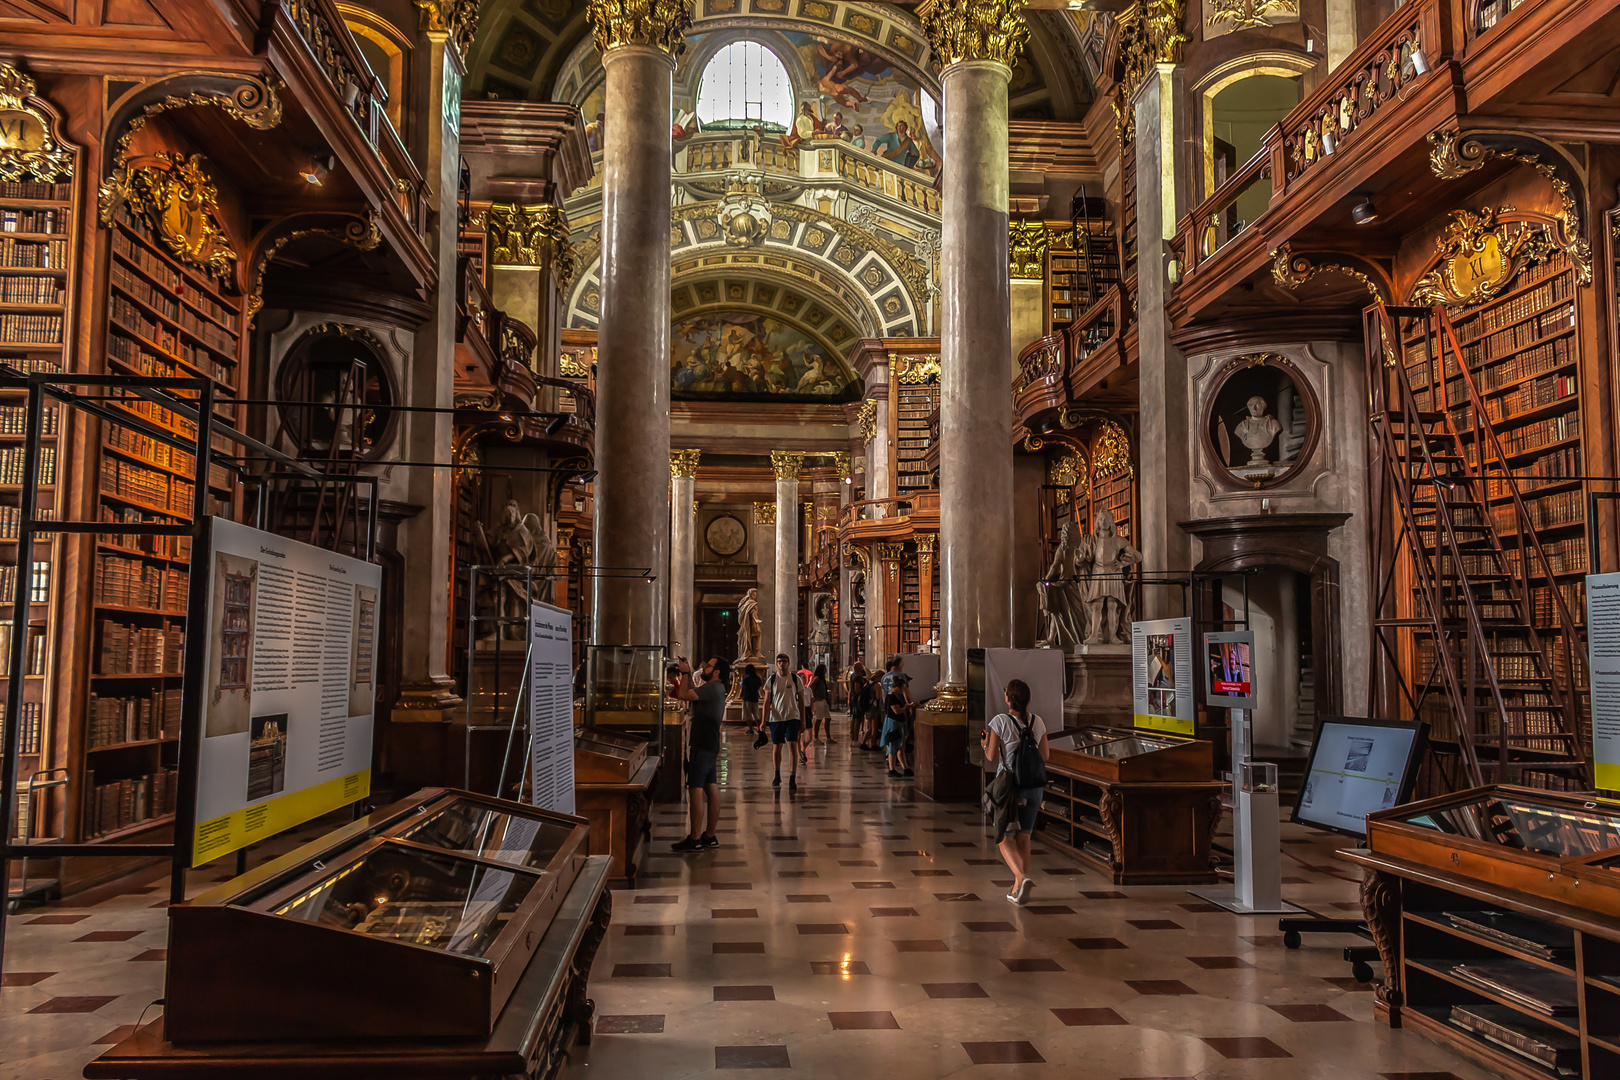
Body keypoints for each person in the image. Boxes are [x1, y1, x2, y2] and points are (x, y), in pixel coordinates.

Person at [981, 679, 1050, 904]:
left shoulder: (1000, 721)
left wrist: (984, 744)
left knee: (1004, 836)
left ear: (1009, 699)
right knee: (1025, 837)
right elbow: (1045, 756)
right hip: (1034, 787)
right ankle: (1018, 888)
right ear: (1028, 700)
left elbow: (991, 756)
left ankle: (1021, 877)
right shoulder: (1038, 722)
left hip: (1010, 787)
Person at [671, 656, 729, 852]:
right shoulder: (717, 688)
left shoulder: (712, 687)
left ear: (717, 672)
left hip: (703, 743)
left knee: (695, 787)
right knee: (710, 786)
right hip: (711, 742)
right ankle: (710, 835)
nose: (704, 667)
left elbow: (684, 695)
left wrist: (686, 673)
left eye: (709, 666)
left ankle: (695, 837)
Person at [764, 653, 809, 790]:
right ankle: (777, 774)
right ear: (776, 664)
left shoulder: (795, 679)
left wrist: (803, 720)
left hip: (792, 717)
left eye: (784, 661)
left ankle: (792, 777)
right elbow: (766, 702)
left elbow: (801, 702)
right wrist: (763, 721)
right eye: (779, 662)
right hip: (776, 718)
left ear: (788, 663)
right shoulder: (771, 680)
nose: (781, 664)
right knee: (777, 747)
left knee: (792, 746)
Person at [881, 673, 912, 779]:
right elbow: (896, 710)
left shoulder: (894, 696)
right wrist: (907, 707)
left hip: (899, 723)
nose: (903, 691)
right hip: (894, 724)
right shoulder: (891, 697)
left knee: (901, 746)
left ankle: (905, 768)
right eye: (902, 689)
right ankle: (892, 769)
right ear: (898, 687)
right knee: (893, 747)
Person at [808, 663, 833, 744]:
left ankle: (828, 737)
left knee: (828, 718)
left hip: (824, 700)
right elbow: (811, 687)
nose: (826, 670)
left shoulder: (822, 679)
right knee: (819, 719)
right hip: (818, 701)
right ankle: (816, 738)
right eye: (825, 669)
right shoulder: (817, 678)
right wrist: (815, 697)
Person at [741, 663, 765, 746]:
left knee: (748, 714)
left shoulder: (746, 677)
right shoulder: (757, 677)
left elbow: (743, 686)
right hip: (755, 697)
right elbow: (759, 686)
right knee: (756, 714)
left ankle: (750, 729)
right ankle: (759, 728)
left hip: (747, 697)